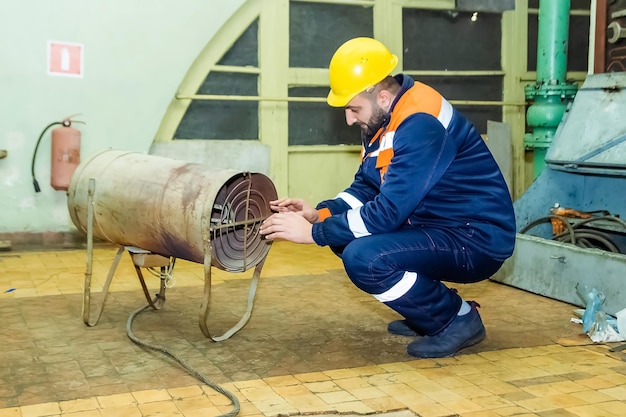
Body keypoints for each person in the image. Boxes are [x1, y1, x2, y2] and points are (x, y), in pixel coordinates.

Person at [259, 37, 516, 358]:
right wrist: (319, 215)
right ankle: (427, 310)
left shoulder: (420, 123)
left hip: (475, 239)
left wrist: (313, 234)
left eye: (354, 108)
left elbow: (387, 213)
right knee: (346, 237)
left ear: (381, 95)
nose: (349, 119)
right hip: (438, 227)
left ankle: (456, 320)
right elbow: (366, 188)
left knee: (364, 257)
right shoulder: (385, 119)